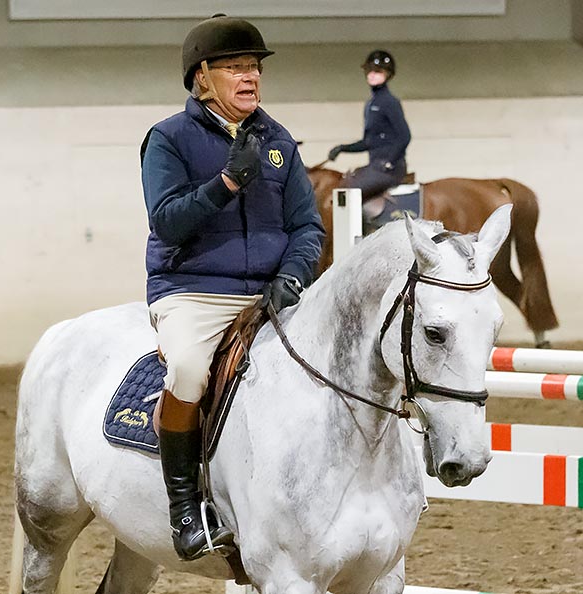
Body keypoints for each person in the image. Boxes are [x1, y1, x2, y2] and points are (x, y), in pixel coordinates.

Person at [140, 14, 324, 561]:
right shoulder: (169, 139)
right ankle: (184, 510)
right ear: (202, 77)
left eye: (255, 68)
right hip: (193, 290)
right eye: (236, 67)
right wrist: (225, 184)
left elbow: (307, 226)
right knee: (190, 371)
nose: (250, 78)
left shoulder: (277, 140)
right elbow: (167, 220)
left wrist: (293, 274)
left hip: (271, 292)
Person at [327, 50, 412, 201]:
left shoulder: (390, 102)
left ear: (388, 74)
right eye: (369, 70)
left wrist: (389, 162)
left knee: (348, 192)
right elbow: (368, 142)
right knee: (344, 181)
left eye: (378, 71)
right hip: (376, 166)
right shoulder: (371, 104)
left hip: (389, 170)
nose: (372, 74)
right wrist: (342, 148)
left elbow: (405, 136)